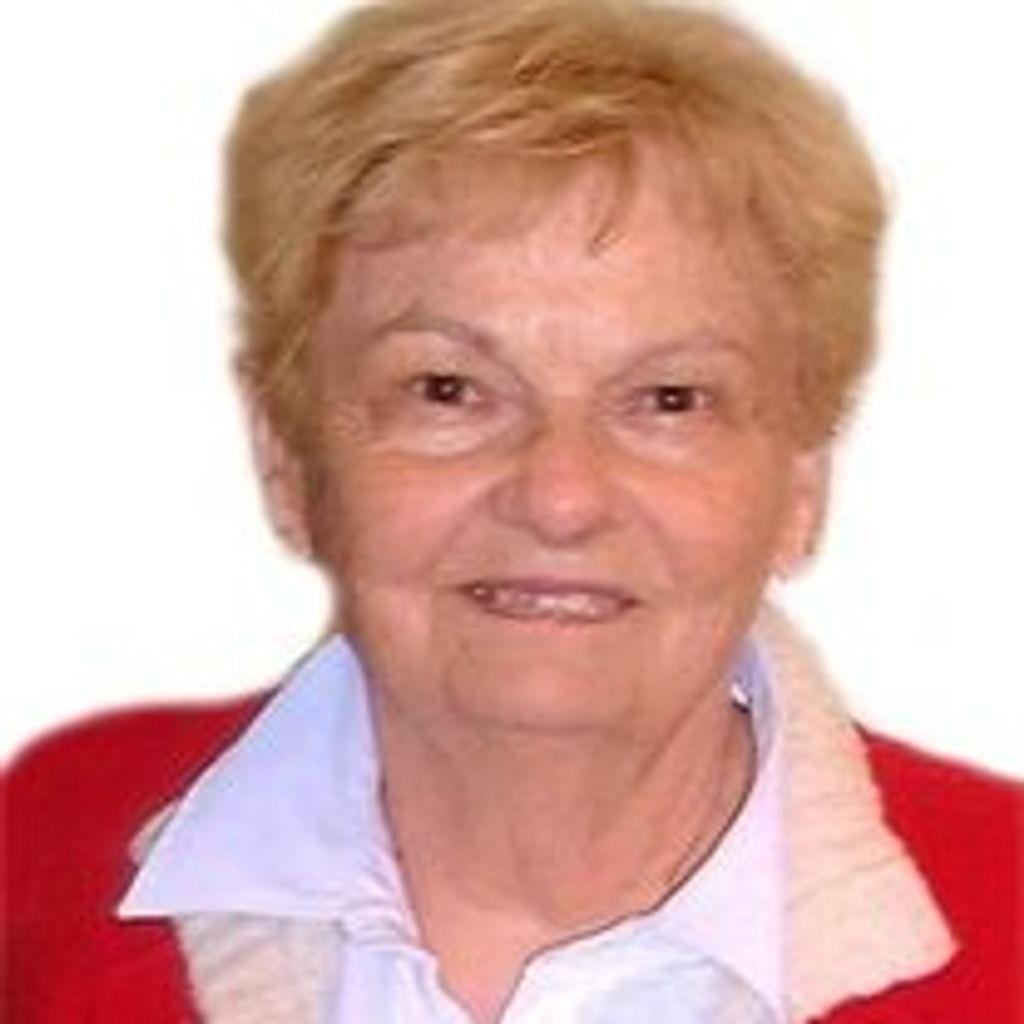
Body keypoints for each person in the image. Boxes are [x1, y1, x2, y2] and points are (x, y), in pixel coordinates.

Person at [6, 0, 1021, 1021]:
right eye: (448, 390)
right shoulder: (44, 856)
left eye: (670, 400)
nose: (560, 496)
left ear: (801, 483)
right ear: (288, 459)